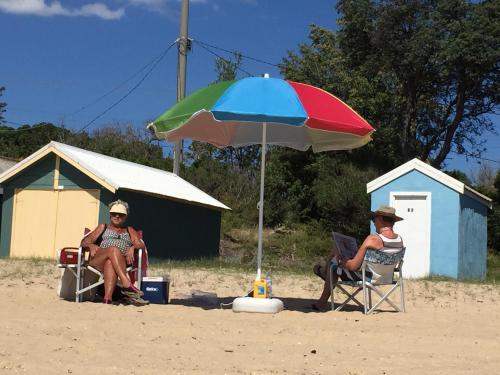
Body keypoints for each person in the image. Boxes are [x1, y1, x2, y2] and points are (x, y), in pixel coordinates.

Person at [312, 204, 404, 311]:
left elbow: (353, 266)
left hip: (367, 277)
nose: (373, 222)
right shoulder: (399, 240)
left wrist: (342, 260)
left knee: (334, 264)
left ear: (380, 219)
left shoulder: (373, 239)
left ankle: (322, 301)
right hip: (386, 277)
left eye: (374, 220)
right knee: (336, 252)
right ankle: (324, 272)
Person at [81, 199, 147, 305]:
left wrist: (133, 247)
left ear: (125, 217)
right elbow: (84, 242)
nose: (117, 216)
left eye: (120, 215)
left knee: (110, 262)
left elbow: (140, 244)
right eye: (114, 214)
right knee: (113, 249)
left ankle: (107, 299)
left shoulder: (129, 230)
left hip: (120, 262)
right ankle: (126, 283)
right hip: (98, 260)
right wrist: (90, 245)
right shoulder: (103, 227)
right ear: (110, 215)